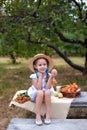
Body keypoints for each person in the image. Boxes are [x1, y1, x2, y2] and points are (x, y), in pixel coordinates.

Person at [28, 54, 57, 125]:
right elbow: (38, 88)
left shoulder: (48, 75)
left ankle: (48, 114)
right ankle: (38, 115)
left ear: (47, 66)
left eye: (44, 64)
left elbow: (48, 87)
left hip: (46, 96)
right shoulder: (34, 76)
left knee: (47, 91)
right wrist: (40, 77)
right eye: (40, 65)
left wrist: (51, 77)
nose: (42, 66)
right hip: (37, 96)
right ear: (35, 66)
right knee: (40, 92)